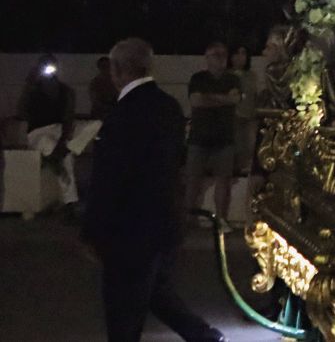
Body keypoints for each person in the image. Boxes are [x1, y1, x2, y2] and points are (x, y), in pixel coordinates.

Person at [82, 38, 225, 342]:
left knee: (124, 311)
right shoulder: (169, 107)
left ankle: (204, 336)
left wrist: (92, 231)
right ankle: (204, 336)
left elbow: (108, 181)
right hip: (165, 220)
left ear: (117, 70)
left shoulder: (121, 116)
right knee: (153, 291)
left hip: (128, 229)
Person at [18, 54, 101, 210]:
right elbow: (21, 113)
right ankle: (70, 202)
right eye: (45, 66)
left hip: (60, 130)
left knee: (97, 124)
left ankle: (63, 152)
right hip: (38, 132)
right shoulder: (32, 89)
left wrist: (63, 141)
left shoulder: (66, 90)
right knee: (63, 156)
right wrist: (29, 84)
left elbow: (68, 117)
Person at [184, 41, 240, 228]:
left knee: (223, 181)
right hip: (199, 137)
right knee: (193, 180)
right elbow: (196, 101)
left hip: (224, 137)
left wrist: (208, 97)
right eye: (216, 55)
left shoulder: (232, 79)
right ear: (207, 58)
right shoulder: (198, 78)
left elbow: (234, 99)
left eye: (223, 55)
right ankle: (188, 219)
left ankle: (221, 220)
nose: (221, 58)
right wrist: (223, 99)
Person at [229, 45, 259, 175]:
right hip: (233, 118)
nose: (240, 57)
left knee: (249, 148)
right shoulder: (227, 75)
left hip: (250, 118)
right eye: (237, 53)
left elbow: (254, 95)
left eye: (243, 53)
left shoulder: (251, 75)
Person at [89, 56, 120, 121]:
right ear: (99, 67)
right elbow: (95, 100)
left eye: (108, 66)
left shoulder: (117, 81)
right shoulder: (95, 83)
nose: (106, 68)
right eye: (104, 66)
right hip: (100, 113)